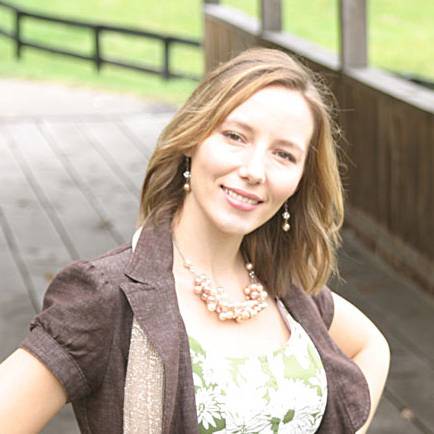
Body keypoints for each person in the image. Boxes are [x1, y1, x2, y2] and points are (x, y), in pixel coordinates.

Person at [0, 47, 389, 434]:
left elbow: (372, 346)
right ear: (193, 137)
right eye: (235, 136)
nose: (254, 170)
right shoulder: (107, 296)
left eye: (283, 155)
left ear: (301, 178)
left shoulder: (288, 293)